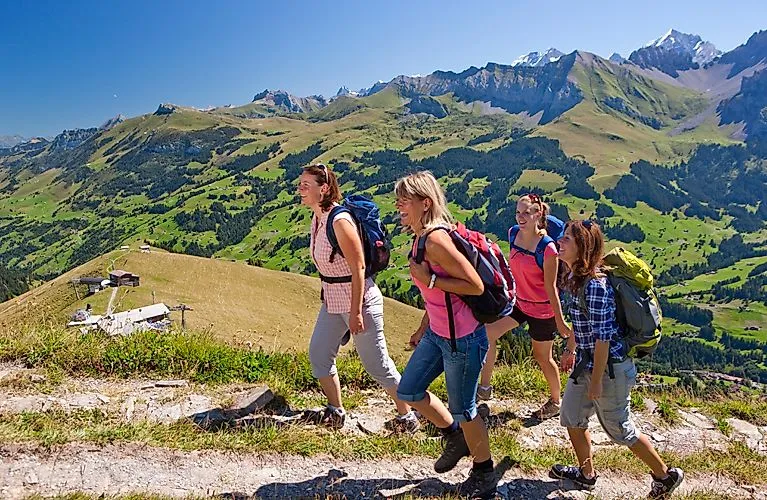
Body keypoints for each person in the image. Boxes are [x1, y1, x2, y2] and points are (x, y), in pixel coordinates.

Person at [551, 220, 684, 497]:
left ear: (582, 249)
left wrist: (596, 381)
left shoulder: (596, 287)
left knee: (620, 430)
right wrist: (570, 348)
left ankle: (665, 476)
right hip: (587, 363)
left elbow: (604, 338)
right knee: (572, 417)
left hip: (609, 368)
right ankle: (586, 474)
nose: (559, 242)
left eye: (567, 240)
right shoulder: (573, 278)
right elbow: (581, 321)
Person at [395, 171, 497, 498]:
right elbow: (434, 291)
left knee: (465, 408)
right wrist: (423, 326)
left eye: (404, 200)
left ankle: (484, 471)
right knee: (409, 391)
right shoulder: (420, 235)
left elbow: (474, 285)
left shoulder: (436, 240)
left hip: (462, 340)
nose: (398, 205)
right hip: (438, 334)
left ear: (425, 203)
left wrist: (431, 282)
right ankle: (456, 436)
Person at [298, 163, 418, 432]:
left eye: (306, 185)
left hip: (359, 301)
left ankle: (407, 416)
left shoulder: (338, 221)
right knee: (319, 354)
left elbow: (358, 268)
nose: (300, 189)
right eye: (300, 184)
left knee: (378, 366)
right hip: (333, 299)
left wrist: (355, 313)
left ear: (324, 189)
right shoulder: (317, 218)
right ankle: (336, 410)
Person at [479, 194, 571, 421]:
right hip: (519, 303)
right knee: (488, 333)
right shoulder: (513, 234)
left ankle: (556, 401)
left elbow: (551, 288)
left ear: (538, 214)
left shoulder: (548, 248)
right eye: (518, 212)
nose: (521, 217)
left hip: (542, 311)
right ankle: (484, 389)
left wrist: (559, 321)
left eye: (527, 213)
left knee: (542, 357)